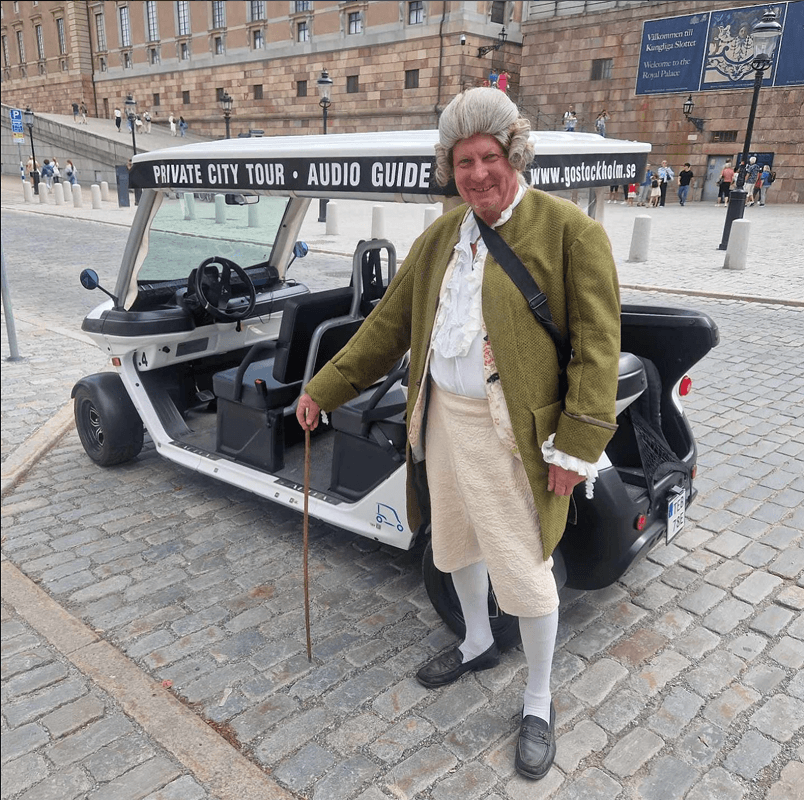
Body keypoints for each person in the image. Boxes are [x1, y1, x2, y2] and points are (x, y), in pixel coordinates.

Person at [296, 87, 621, 782]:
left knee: (526, 570)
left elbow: (597, 349)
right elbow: (386, 327)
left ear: (514, 155)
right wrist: (323, 389)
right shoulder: (442, 237)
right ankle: (477, 641)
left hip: (516, 434)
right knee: (456, 543)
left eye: (488, 157)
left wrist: (578, 447)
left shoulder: (569, 232)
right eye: (463, 162)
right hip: (443, 418)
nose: (476, 174)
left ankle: (538, 699)